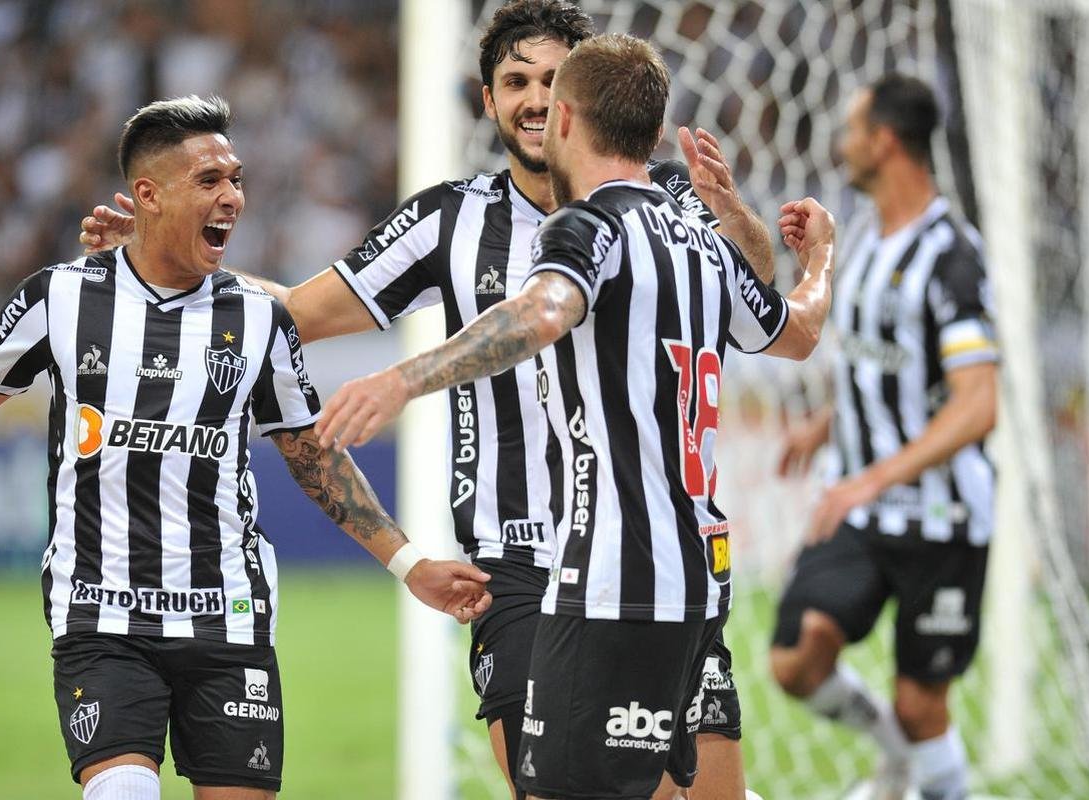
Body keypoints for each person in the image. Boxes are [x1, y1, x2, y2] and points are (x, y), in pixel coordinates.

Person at [78, 4, 774, 798]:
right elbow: (295, 314)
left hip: (658, 556)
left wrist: (738, 220)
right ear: (488, 101)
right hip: (521, 569)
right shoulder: (450, 219)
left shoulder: (665, 200)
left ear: (582, 94)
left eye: (551, 79)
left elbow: (754, 303)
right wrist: (159, 253)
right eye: (514, 82)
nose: (534, 98)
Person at [0, 95, 491, 800]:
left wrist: (408, 564)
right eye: (209, 181)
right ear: (148, 195)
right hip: (101, 612)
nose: (231, 197)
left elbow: (312, 455)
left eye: (235, 178)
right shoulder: (59, 301)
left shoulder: (257, 319)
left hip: (227, 616)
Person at [313, 33, 837, 800]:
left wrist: (404, 378)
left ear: (562, 119)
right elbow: (797, 330)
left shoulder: (586, 226)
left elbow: (545, 308)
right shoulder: (699, 241)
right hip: (698, 572)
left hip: (612, 578)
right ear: (654, 134)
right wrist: (820, 259)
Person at [769, 73, 998, 800]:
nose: (840, 143)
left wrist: (868, 475)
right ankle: (895, 756)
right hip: (863, 511)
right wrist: (828, 426)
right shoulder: (864, 243)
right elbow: (893, 377)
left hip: (941, 518)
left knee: (921, 704)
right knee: (794, 659)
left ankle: (921, 765)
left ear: (884, 141)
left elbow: (976, 407)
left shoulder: (952, 258)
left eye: (850, 130)